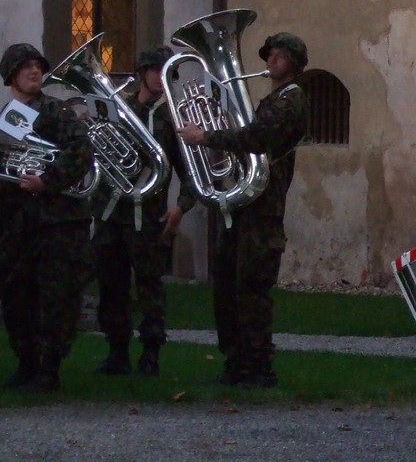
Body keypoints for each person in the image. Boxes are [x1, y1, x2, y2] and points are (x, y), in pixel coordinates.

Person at [178, 31, 309, 388]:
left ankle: (260, 366)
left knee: (252, 289)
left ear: (294, 64)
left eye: (280, 56)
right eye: (269, 55)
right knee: (226, 285)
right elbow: (247, 137)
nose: (271, 61)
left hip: (264, 208)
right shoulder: (271, 100)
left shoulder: (293, 99)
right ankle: (236, 361)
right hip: (244, 203)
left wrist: (207, 136)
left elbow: (256, 138)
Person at [93, 46, 196, 377]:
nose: (160, 78)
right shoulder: (118, 110)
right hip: (112, 213)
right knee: (111, 284)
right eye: (155, 70)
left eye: (167, 73)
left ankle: (151, 354)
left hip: (149, 217)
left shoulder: (172, 120)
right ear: (142, 73)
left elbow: (191, 173)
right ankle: (117, 352)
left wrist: (180, 208)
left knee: (150, 286)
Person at [0, 43, 95, 392]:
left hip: (57, 223)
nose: (34, 71)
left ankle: (49, 369)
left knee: (56, 299)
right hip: (17, 225)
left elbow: (82, 152)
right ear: (11, 76)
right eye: (25, 66)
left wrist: (47, 181)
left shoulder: (57, 111)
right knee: (16, 297)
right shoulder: (6, 118)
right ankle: (26, 364)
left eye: (38, 65)